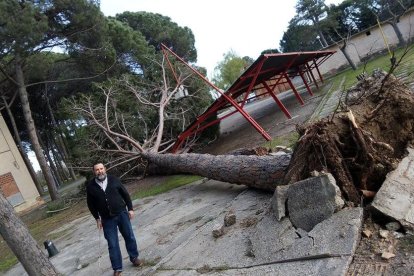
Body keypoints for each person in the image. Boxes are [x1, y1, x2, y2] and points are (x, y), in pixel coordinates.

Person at [86, 162, 142, 276]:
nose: (100, 171)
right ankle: (117, 268)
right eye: (97, 170)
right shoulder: (90, 186)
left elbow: (125, 194)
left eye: (101, 169)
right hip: (107, 219)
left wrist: (130, 209)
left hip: (121, 213)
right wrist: (97, 218)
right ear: (94, 172)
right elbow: (90, 204)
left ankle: (134, 257)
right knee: (112, 244)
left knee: (129, 236)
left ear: (105, 169)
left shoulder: (114, 179)